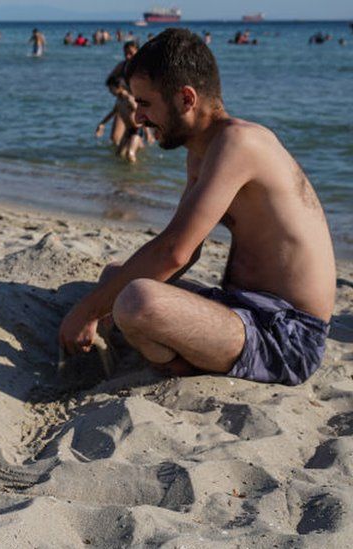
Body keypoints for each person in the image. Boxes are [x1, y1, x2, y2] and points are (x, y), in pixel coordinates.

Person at [59, 29, 336, 387]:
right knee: (115, 276)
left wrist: (89, 311)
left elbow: (174, 252)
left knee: (134, 300)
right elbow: (186, 253)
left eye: (145, 104)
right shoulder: (200, 151)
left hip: (287, 334)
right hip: (239, 308)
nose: (139, 119)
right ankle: (181, 351)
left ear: (186, 98)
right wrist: (104, 307)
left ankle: (183, 364)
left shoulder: (239, 143)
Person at [95, 78, 142, 163]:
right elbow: (113, 113)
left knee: (130, 154)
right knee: (119, 154)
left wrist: (147, 130)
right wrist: (102, 124)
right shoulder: (119, 100)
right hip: (128, 131)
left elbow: (141, 112)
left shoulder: (129, 99)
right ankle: (124, 173)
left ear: (120, 87)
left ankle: (136, 173)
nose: (110, 91)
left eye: (111, 89)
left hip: (137, 130)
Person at [105, 40, 139, 146]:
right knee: (115, 139)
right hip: (123, 104)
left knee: (136, 134)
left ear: (138, 53)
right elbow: (109, 82)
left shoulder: (143, 68)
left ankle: (137, 155)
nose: (128, 56)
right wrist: (119, 92)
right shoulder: (122, 66)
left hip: (137, 106)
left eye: (131, 53)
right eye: (126, 54)